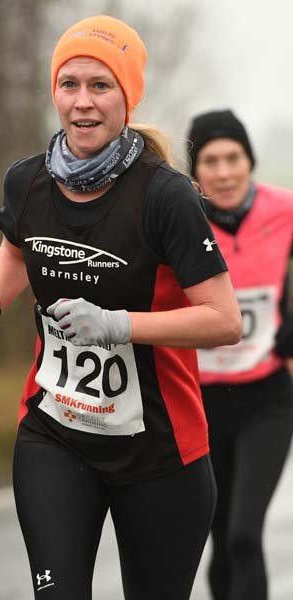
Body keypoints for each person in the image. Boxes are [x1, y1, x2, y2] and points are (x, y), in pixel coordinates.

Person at [0, 16, 242, 600]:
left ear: (128, 95)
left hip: (159, 452)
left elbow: (224, 320)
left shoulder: (166, 196)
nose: (82, 102)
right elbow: (17, 248)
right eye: (68, 84)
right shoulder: (26, 182)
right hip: (55, 435)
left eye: (100, 85)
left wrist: (116, 326)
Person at [186, 109, 293, 600]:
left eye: (234, 158)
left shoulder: (283, 209)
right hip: (199, 403)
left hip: (266, 400)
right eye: (211, 161)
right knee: (221, 541)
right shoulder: (179, 218)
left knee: (244, 535)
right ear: (195, 171)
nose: (224, 172)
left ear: (250, 161)